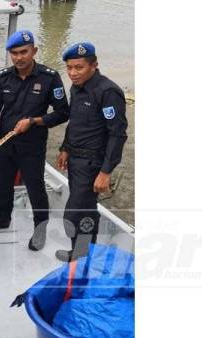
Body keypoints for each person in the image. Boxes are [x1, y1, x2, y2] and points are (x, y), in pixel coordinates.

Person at [0, 30, 70, 251]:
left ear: (33, 51)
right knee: (2, 182)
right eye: (14, 53)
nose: (18, 57)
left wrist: (35, 121)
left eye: (23, 52)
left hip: (32, 145)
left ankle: (40, 229)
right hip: (5, 142)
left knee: (35, 188)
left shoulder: (49, 77)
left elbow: (63, 112)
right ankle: (2, 218)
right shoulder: (3, 77)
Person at [55, 42, 128, 262]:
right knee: (85, 211)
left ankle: (82, 257)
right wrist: (65, 148)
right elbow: (76, 123)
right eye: (69, 68)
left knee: (75, 213)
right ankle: (83, 254)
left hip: (92, 163)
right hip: (76, 160)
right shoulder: (76, 88)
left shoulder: (107, 92)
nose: (72, 73)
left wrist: (105, 172)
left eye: (79, 68)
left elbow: (117, 134)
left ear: (94, 65)